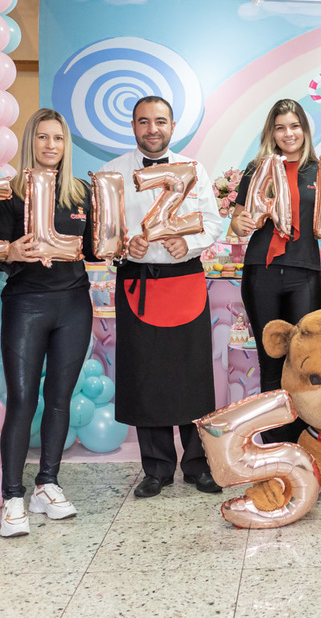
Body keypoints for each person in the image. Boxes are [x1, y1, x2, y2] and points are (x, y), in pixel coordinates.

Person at [98, 96, 226, 498]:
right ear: (133, 126)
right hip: (137, 282)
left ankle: (197, 465)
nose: (152, 129)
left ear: (172, 126)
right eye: (144, 121)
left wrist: (189, 243)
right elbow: (103, 231)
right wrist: (123, 247)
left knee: (193, 376)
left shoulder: (194, 169)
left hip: (185, 278)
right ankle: (155, 469)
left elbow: (212, 222)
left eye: (160, 121)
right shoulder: (112, 172)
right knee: (145, 376)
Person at [0, 109, 97, 537]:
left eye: (58, 138)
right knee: (22, 400)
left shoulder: (81, 192)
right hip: (26, 304)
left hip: (74, 304)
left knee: (59, 398)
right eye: (42, 137)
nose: (51, 145)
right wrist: (9, 252)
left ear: (65, 144)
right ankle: (12, 497)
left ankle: (47, 484)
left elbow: (97, 247)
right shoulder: (7, 194)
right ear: (30, 142)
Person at [231, 99, 321, 443]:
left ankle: (298, 443)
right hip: (262, 273)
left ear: (305, 130)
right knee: (270, 361)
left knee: (301, 361)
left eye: (294, 126)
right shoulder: (256, 170)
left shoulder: (319, 171)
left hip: (304, 273)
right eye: (280, 127)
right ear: (271, 132)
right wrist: (239, 223)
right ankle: (272, 445)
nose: (288, 134)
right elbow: (238, 222)